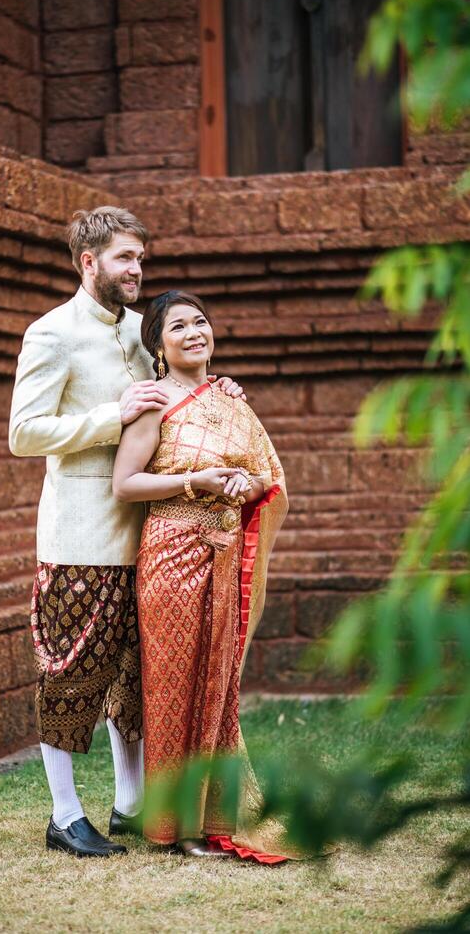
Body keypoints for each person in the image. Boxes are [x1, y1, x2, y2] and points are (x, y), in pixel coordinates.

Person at [9, 208, 244, 859]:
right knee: (71, 678)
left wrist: (213, 391)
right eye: (123, 258)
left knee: (134, 685)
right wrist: (111, 416)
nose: (137, 269)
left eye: (140, 257)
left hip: (148, 540)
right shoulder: (52, 334)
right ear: (89, 263)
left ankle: (131, 806)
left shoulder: (140, 338)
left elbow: (170, 392)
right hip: (79, 540)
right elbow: (22, 433)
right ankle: (62, 816)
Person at [112, 290, 307, 861]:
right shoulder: (153, 404)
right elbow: (125, 484)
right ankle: (178, 829)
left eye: (201, 322)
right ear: (159, 345)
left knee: (216, 685)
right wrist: (197, 482)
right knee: (175, 687)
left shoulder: (230, 400)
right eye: (179, 326)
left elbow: (262, 478)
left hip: (222, 552)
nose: (195, 332)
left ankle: (215, 819)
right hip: (171, 555)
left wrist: (243, 487)